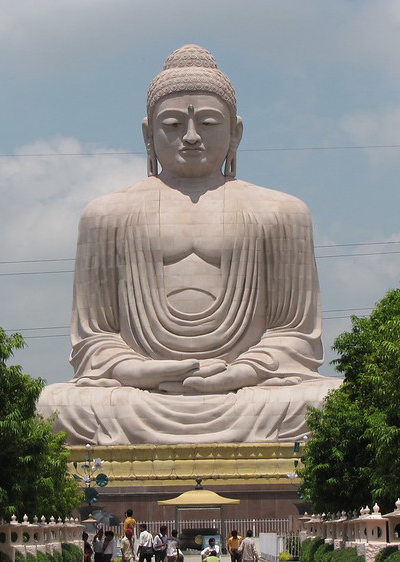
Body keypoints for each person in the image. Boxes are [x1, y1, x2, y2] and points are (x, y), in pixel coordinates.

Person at [37, 44, 342, 445]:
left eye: (209, 123)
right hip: (142, 394)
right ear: (148, 134)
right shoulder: (106, 215)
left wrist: (239, 373)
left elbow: (294, 335)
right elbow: (95, 338)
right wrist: (142, 370)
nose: (192, 137)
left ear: (236, 132)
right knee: (54, 407)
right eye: (173, 124)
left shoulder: (282, 212)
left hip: (247, 391)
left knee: (330, 402)